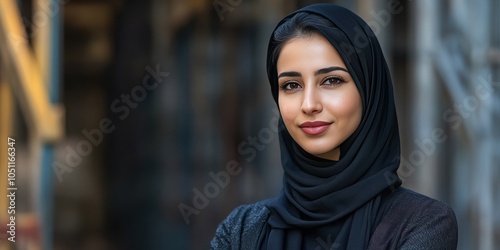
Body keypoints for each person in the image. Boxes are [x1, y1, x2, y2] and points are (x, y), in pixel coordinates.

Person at [211, 3, 458, 250]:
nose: (308, 105)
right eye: (291, 85)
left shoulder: (422, 223)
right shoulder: (240, 230)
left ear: (369, 90)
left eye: (331, 80)